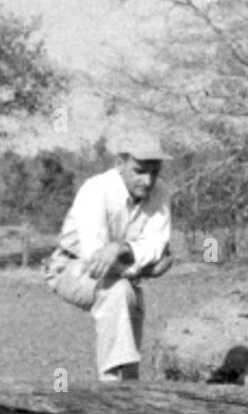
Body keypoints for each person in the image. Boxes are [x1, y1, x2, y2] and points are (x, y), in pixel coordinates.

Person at [44, 134, 174, 381]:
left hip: (122, 275)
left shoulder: (161, 191)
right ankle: (110, 385)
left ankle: (129, 390)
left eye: (154, 172)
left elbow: (157, 244)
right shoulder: (96, 189)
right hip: (70, 268)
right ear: (119, 164)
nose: (147, 181)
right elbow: (97, 259)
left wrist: (122, 247)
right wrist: (145, 268)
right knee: (119, 292)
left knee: (125, 297)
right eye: (139, 171)